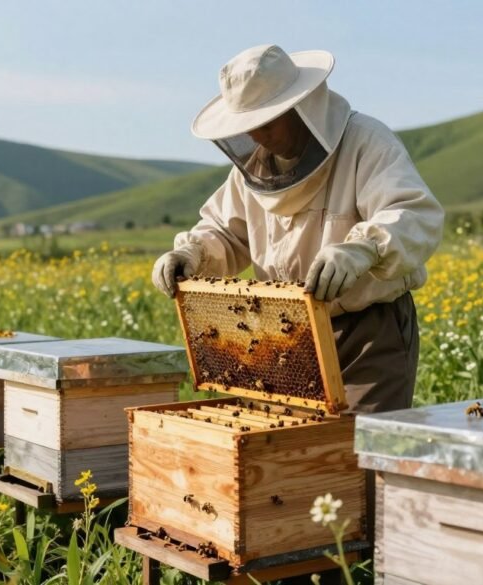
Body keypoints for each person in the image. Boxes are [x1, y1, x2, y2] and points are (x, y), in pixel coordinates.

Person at [152, 44, 444, 414]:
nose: (258, 137)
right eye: (248, 128)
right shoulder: (253, 170)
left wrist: (363, 249)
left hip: (366, 330)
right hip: (286, 334)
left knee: (357, 454)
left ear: (300, 107)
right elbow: (226, 233)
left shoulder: (366, 142)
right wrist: (191, 253)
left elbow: (414, 213)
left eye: (267, 123)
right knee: (295, 455)